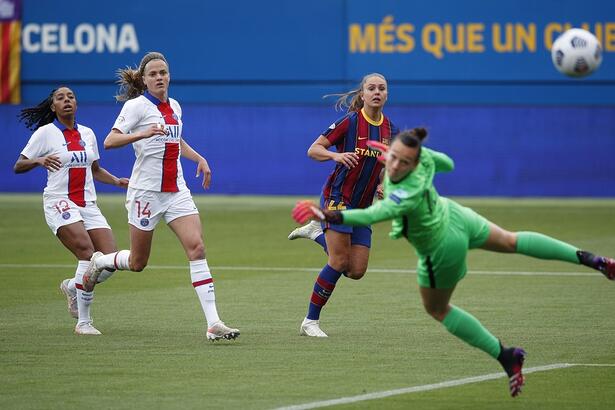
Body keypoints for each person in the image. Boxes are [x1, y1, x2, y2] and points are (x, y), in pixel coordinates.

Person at [292, 127, 615, 397]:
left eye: (403, 163)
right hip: (458, 216)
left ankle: (506, 356)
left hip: (442, 247)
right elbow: (447, 162)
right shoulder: (425, 163)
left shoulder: (406, 191)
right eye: (393, 158)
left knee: (438, 309)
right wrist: (414, 154)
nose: (394, 167)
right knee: (513, 240)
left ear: (413, 164)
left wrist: (328, 214)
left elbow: (375, 213)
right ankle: (593, 260)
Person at [83, 52, 239, 341]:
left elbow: (174, 139)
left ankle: (213, 324)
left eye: (163, 72)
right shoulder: (136, 106)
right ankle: (101, 262)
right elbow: (110, 140)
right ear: (144, 80)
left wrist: (198, 158)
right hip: (146, 192)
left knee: (197, 248)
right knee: (139, 262)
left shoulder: (175, 106)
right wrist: (141, 134)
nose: (159, 77)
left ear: (169, 76)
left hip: (176, 190)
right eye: (153, 74)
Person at [287, 73, 399, 337]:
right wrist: (335, 155)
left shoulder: (390, 130)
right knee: (338, 261)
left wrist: (384, 185)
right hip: (339, 198)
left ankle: (316, 232)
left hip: (363, 207)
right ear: (362, 94)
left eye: (381, 89)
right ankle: (310, 322)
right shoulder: (349, 122)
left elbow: (385, 167)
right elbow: (313, 150)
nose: (377, 92)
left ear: (386, 94)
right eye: (371, 88)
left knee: (356, 270)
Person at [13, 86, 129, 335]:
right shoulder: (45, 133)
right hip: (59, 201)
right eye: (60, 98)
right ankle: (83, 322)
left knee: (109, 260)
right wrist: (38, 160)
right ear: (53, 106)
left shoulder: (87, 133)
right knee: (88, 255)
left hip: (87, 204)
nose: (66, 100)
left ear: (76, 104)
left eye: (71, 97)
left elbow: (95, 169)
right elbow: (18, 165)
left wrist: (117, 181)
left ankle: (73, 287)